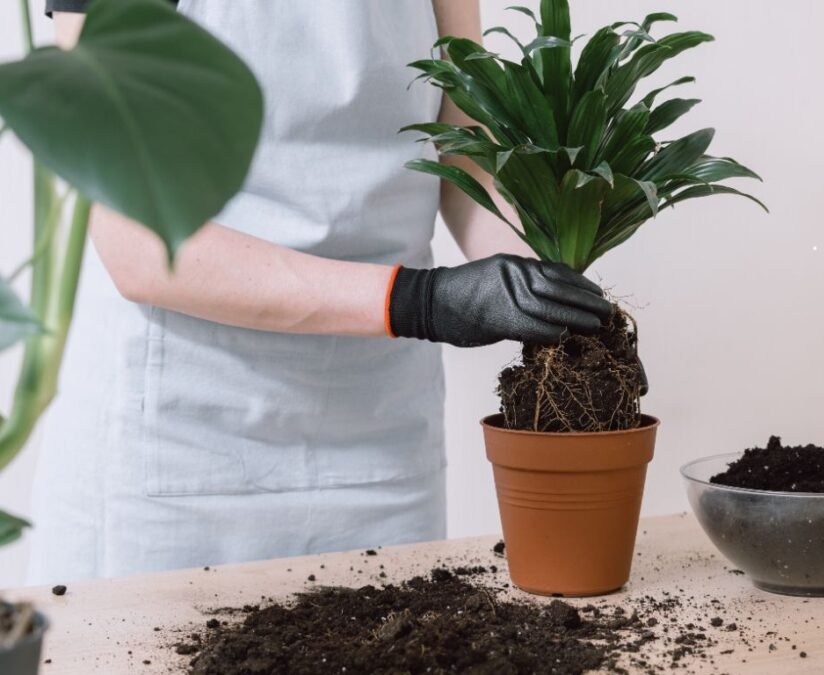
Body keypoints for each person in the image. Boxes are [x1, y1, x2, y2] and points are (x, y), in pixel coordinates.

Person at [29, 0, 612, 583]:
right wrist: (425, 302)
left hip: (380, 433)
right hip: (185, 440)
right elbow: (137, 239)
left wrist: (537, 277)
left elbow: (465, 142)